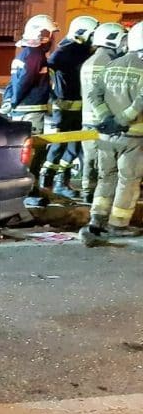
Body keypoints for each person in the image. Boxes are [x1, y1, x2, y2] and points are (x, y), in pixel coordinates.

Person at [79, 21, 143, 246]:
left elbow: (94, 96)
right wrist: (121, 120)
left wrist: (107, 119)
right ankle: (118, 225)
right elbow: (141, 102)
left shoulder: (111, 65)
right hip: (133, 137)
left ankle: (96, 220)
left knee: (106, 177)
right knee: (128, 180)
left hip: (106, 135)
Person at [38, 16, 98, 198]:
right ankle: (45, 185)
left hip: (77, 109)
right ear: (81, 33)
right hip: (63, 110)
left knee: (73, 148)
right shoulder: (63, 53)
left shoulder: (80, 51)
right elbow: (49, 72)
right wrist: (53, 96)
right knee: (57, 147)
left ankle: (61, 183)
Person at [2, 15, 56, 203]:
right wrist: (14, 101)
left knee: (24, 152)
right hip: (31, 111)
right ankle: (28, 193)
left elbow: (14, 82)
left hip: (23, 110)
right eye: (49, 34)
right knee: (32, 153)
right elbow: (24, 81)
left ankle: (25, 191)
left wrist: (9, 101)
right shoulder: (35, 56)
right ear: (41, 35)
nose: (51, 39)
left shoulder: (24, 54)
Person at [78, 22, 128, 204]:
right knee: (103, 166)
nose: (125, 44)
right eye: (122, 39)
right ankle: (98, 200)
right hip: (104, 121)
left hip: (88, 120)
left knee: (89, 161)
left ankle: (86, 193)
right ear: (112, 39)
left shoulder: (89, 61)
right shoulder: (107, 62)